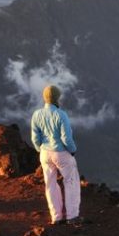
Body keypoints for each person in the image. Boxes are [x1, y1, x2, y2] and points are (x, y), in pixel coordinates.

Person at [30, 85, 82, 226]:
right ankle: (72, 216)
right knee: (71, 181)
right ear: (57, 98)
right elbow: (66, 138)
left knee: (50, 184)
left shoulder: (37, 114)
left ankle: (56, 217)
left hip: (45, 153)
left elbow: (35, 138)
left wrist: (39, 149)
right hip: (60, 153)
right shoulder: (61, 115)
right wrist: (72, 150)